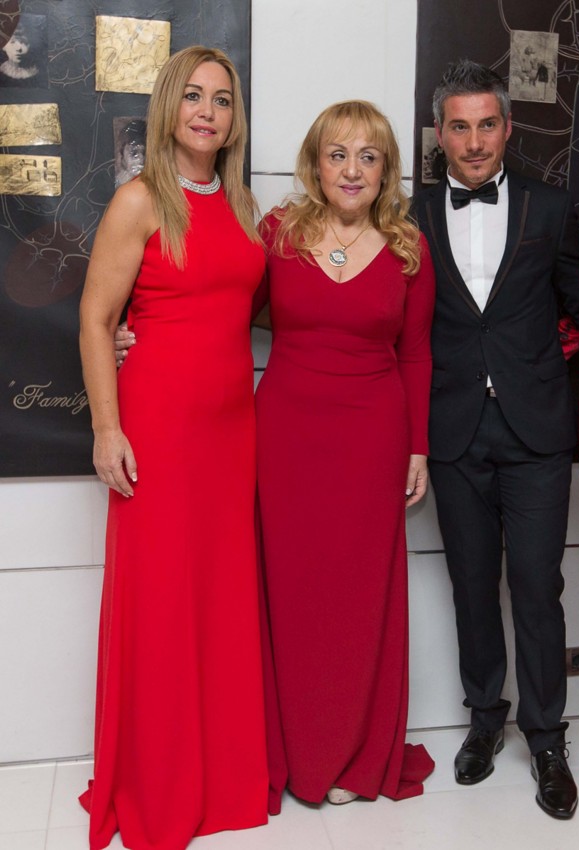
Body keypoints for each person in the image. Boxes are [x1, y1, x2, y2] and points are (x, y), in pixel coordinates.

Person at [78, 46, 268, 850]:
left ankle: (220, 774)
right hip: (156, 429)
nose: (207, 112)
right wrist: (107, 428)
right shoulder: (139, 200)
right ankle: (158, 782)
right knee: (159, 605)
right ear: (168, 107)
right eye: (193, 96)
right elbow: (95, 321)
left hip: (231, 434)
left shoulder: (245, 205)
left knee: (219, 603)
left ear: (233, 120)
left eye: (221, 100)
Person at [412, 60, 579, 819]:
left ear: (508, 127)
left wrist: (540, 372)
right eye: (460, 127)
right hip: (453, 430)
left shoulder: (552, 208)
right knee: (471, 585)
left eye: (488, 124)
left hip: (536, 432)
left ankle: (547, 738)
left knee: (537, 586)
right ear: (441, 134)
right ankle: (485, 719)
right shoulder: (412, 214)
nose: (475, 140)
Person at [255, 100, 436, 808]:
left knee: (358, 597)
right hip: (286, 437)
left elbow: (416, 355)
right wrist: (131, 333)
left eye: (368, 156)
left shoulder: (407, 247)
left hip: (372, 439)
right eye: (338, 154)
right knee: (291, 591)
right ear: (316, 164)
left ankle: (354, 753)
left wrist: (418, 447)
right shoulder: (278, 234)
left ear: (386, 169)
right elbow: (220, 310)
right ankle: (295, 751)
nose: (352, 170)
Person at [114, 118, 147, 187]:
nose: (140, 160)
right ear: (122, 155)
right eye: (134, 153)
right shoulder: (119, 184)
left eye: (145, 153)